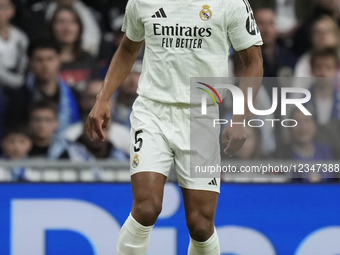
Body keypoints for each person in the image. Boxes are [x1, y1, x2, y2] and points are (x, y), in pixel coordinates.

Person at [86, 1, 263, 254]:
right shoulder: (141, 1)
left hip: (201, 116)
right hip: (152, 110)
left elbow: (253, 61)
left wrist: (239, 118)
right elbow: (127, 48)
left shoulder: (231, 3)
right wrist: (102, 98)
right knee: (146, 208)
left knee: (200, 224)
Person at [11, 39, 80, 132]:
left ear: (59, 61)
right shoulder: (18, 97)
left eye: (50, 59)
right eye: (39, 60)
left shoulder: (74, 94)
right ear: (30, 63)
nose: (45, 65)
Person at [49, 5, 101, 99]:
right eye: (60, 22)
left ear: (79, 28)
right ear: (51, 27)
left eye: (72, 22)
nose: (67, 28)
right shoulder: (45, 60)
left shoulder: (89, 59)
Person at [307, 48, 340, 125]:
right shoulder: (298, 102)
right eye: (318, 67)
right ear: (311, 70)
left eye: (328, 68)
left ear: (336, 71)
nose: (323, 73)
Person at [0, 0, 28, 89]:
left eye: (2, 7)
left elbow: (23, 66)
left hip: (19, 87)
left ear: (12, 10)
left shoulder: (21, 37)